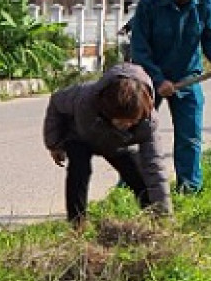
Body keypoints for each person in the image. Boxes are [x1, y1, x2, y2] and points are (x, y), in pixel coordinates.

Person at [128, 0, 211, 195]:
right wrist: (158, 81)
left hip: (188, 78)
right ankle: (131, 186)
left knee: (190, 137)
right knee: (138, 133)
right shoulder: (150, 3)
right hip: (149, 80)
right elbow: (140, 50)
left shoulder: (205, 4)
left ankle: (189, 189)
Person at [42, 63, 171, 224]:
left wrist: (165, 216)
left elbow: (155, 168)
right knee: (79, 170)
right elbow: (56, 102)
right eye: (120, 121)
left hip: (117, 142)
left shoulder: (148, 122)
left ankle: (155, 218)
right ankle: (77, 225)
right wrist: (54, 144)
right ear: (108, 109)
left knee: (137, 175)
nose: (126, 125)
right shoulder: (84, 97)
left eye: (131, 122)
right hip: (80, 136)